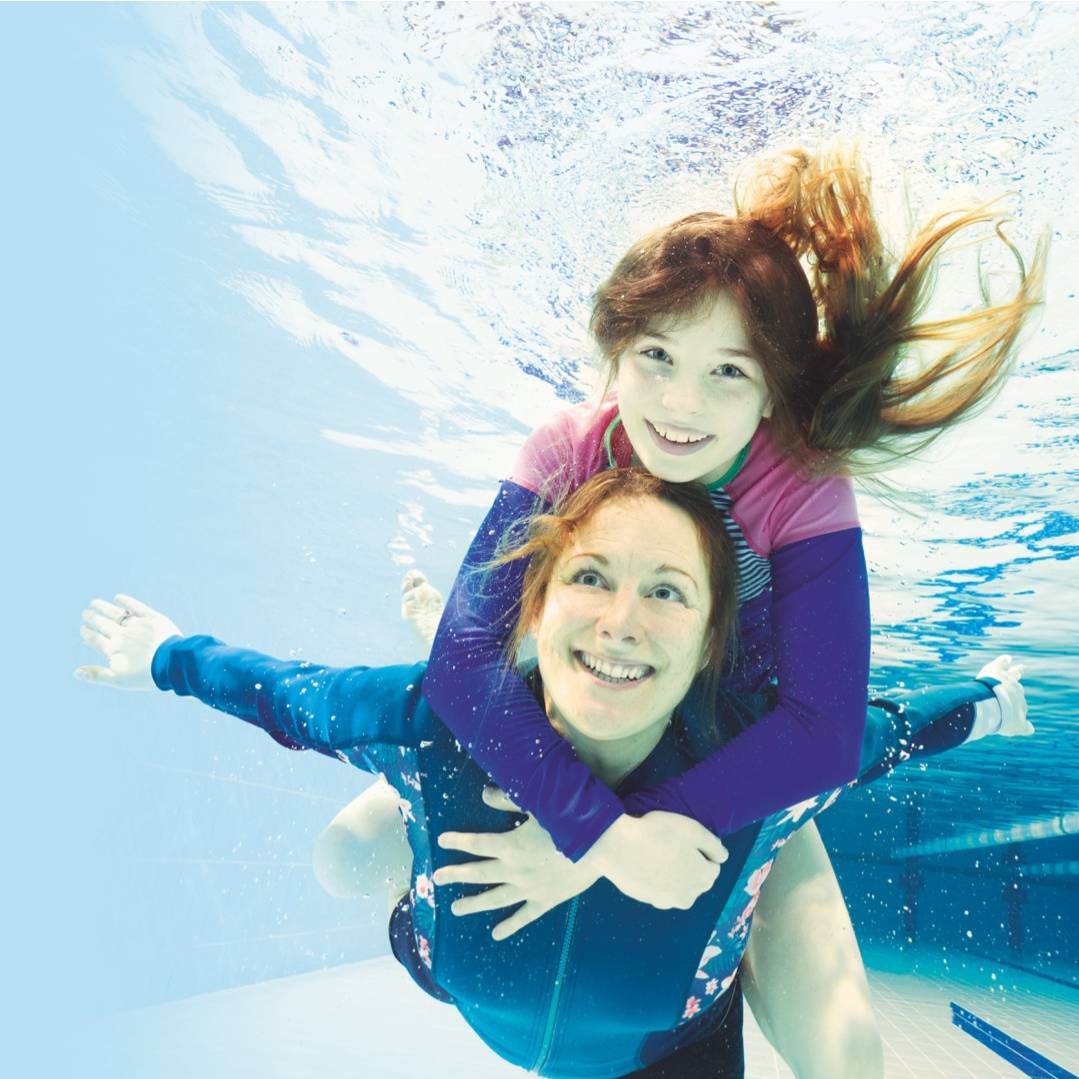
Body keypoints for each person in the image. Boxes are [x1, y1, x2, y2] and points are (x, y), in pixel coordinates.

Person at [77, 470, 1028, 1078]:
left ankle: (767, 870)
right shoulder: (433, 718)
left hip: (674, 1042)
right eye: (588, 577)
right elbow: (287, 694)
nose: (620, 620)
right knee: (339, 857)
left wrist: (987, 702)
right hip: (456, 951)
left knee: (847, 1057)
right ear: (529, 607)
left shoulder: (763, 751)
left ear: (707, 644)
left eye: (665, 591)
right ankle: (407, 788)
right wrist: (166, 653)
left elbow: (889, 731)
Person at [420, 144, 1045, 913]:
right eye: (656, 355)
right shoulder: (567, 448)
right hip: (630, 670)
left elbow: (818, 730)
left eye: (728, 371)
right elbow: (457, 661)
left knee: (863, 744)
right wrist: (607, 841)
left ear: (773, 392)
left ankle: (987, 699)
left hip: (746, 695)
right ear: (615, 351)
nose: (681, 405)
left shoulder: (803, 484)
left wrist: (587, 848)